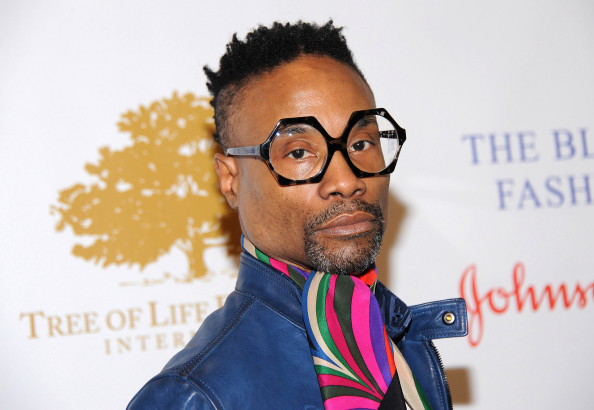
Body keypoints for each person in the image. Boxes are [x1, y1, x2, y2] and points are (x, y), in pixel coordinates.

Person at [128, 20, 467, 410]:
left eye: (361, 143)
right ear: (231, 180)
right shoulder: (194, 398)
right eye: (299, 152)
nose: (347, 180)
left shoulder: (391, 332)